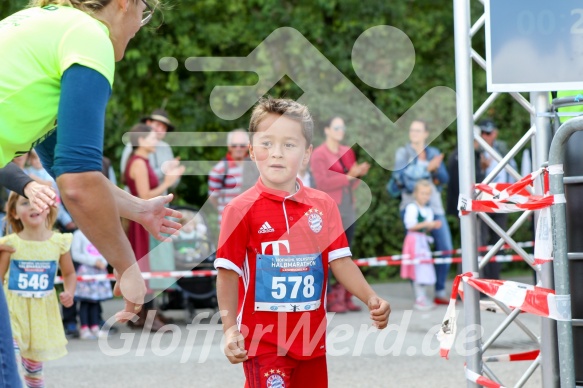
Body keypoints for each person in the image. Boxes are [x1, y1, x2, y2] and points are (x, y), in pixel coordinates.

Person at [0, 7, 184, 381]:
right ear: (123, 4)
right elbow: (79, 184)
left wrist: (138, 209)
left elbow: (66, 170)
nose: (138, 28)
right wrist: (127, 267)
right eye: (143, 14)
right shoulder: (89, 37)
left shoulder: (44, 22)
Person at [215, 97, 390, 388]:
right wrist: (230, 330)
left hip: (312, 343)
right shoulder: (239, 209)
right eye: (267, 143)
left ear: (307, 154)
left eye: (289, 145)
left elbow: (341, 261)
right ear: (251, 151)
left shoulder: (323, 205)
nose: (277, 154)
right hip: (263, 344)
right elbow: (227, 273)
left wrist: (371, 298)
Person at [0, 191, 76, 387]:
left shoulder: (58, 243)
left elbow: (69, 273)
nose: (33, 206)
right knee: (10, 357)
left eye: (38, 201)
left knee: (33, 369)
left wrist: (69, 291)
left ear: (48, 207)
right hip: (13, 310)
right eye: (25, 203)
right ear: (15, 213)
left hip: (41, 315)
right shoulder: (9, 244)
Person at [125, 123, 185, 330]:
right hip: (143, 222)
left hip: (143, 220)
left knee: (148, 267)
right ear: (140, 141)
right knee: (147, 268)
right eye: (151, 137)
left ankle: (143, 315)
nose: (155, 141)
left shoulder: (141, 161)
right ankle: (148, 316)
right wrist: (168, 181)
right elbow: (144, 196)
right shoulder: (139, 163)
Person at [311, 116, 370, 313]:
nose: (340, 131)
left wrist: (357, 174)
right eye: (336, 127)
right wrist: (348, 176)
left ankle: (344, 295)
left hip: (347, 204)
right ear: (327, 130)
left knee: (346, 251)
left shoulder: (347, 151)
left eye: (342, 127)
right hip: (329, 207)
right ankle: (327, 296)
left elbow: (351, 182)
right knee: (328, 252)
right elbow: (322, 183)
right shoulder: (319, 154)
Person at [391, 119, 453, 305]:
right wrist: (427, 169)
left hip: (434, 208)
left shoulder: (433, 152)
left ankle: (440, 290)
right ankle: (420, 295)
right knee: (415, 252)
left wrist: (436, 170)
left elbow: (444, 178)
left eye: (418, 130)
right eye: (412, 130)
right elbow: (402, 179)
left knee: (446, 249)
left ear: (426, 134)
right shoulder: (403, 153)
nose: (414, 134)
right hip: (411, 207)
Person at [476, 119, 518, 281]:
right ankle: (482, 279)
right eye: (484, 133)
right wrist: (481, 168)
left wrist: (511, 195)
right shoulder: (475, 151)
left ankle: (495, 278)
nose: (487, 136)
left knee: (499, 241)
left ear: (495, 133)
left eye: (489, 133)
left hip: (501, 199)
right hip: (483, 201)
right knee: (481, 242)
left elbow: (512, 170)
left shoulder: (502, 149)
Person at [400, 180, 441, 310]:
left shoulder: (428, 210)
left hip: (423, 241)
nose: (425, 196)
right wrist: (427, 224)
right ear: (416, 194)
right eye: (422, 193)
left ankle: (422, 296)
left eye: (427, 194)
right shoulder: (412, 208)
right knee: (417, 269)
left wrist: (432, 226)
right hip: (414, 241)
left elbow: (425, 228)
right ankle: (419, 297)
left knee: (424, 269)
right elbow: (410, 225)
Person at [120, 108, 180, 191]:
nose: (160, 130)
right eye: (158, 125)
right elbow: (130, 177)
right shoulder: (133, 146)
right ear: (148, 123)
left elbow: (172, 183)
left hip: (162, 200)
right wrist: (165, 169)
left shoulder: (166, 148)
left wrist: (174, 174)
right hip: (136, 201)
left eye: (164, 128)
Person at [71, 229, 113, 340]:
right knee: (85, 301)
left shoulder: (100, 233)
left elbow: (107, 250)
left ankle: (95, 327)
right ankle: (84, 328)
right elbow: (76, 254)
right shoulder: (78, 234)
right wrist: (93, 262)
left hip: (99, 272)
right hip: (85, 272)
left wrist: (103, 262)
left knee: (95, 301)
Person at [208, 129, 251, 225]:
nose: (238, 148)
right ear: (229, 146)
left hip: (252, 221)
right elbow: (212, 198)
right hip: (229, 223)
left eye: (242, 145)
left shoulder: (256, 167)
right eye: (234, 145)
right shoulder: (219, 170)